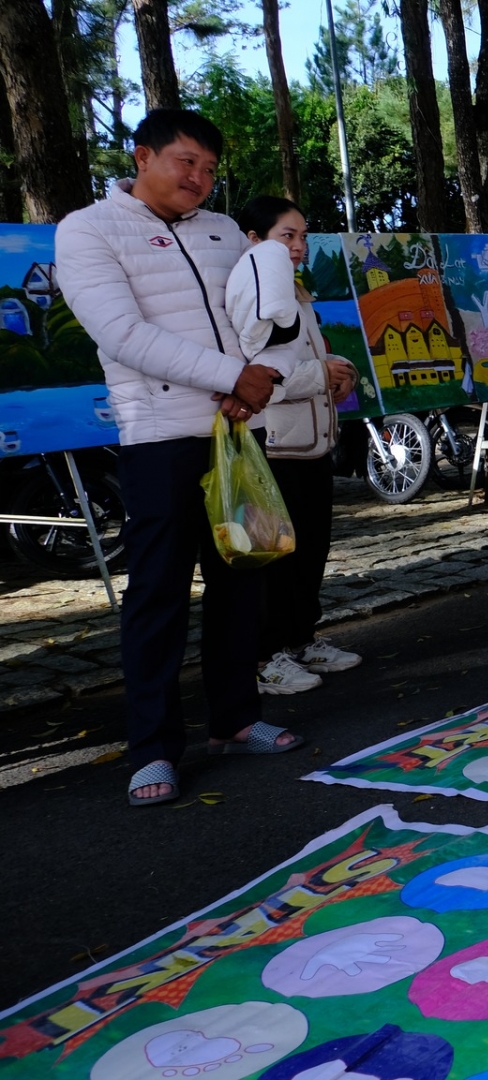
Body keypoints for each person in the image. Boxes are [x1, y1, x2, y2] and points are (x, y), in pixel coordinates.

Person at [58, 109, 309, 805]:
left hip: (238, 431)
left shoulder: (227, 231)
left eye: (208, 169)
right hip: (159, 436)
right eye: (185, 163)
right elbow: (122, 333)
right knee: (159, 594)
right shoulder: (87, 230)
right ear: (143, 157)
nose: (199, 180)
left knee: (241, 581)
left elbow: (275, 322)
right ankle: (153, 749)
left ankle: (235, 719)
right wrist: (233, 377)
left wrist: (264, 380)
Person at [231, 196, 363, 694]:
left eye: (303, 236)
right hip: (274, 444)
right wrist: (317, 374)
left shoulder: (295, 291)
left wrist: (340, 369)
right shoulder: (247, 290)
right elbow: (258, 373)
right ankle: (267, 657)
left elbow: (309, 357)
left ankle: (301, 638)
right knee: (273, 557)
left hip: (311, 442)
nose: (299, 246)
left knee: (310, 550)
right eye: (287, 236)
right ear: (253, 241)